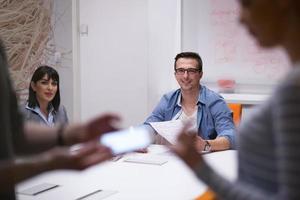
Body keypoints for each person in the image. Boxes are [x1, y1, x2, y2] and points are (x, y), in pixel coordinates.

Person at [172, 0, 300, 199]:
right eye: (180, 71)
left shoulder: (293, 89)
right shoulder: (169, 99)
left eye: (248, 4)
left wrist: (200, 168)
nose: (240, 18)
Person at [0, 40, 119, 199]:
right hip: (32, 182)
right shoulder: (24, 112)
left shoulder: (60, 110)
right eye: (44, 83)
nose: (50, 88)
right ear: (34, 86)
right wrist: (48, 164)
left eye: (54, 84)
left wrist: (72, 134)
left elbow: (14, 135)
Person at [144, 52, 236, 151]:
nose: (185, 76)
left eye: (191, 71)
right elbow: (150, 125)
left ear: (200, 74)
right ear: (175, 74)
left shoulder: (215, 101)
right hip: (169, 158)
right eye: (181, 70)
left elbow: (230, 136)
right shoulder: (168, 99)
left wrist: (205, 145)